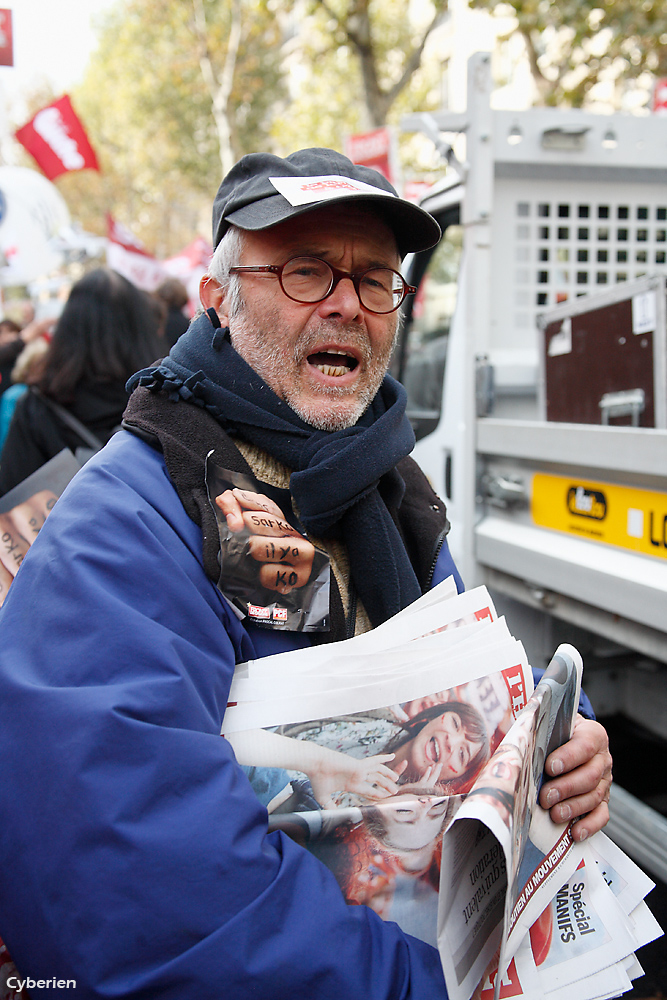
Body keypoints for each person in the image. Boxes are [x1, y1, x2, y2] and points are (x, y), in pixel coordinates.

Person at [0, 148, 612, 997]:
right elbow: (137, 891)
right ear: (215, 295)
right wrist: (419, 984)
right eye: (304, 271)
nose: (346, 305)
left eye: (373, 278)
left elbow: (475, 674)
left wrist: (564, 736)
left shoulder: (395, 489)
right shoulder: (126, 526)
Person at [0, 268, 162, 495]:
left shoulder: (36, 407)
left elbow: (14, 499)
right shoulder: (166, 397)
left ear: (67, 327)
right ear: (142, 327)